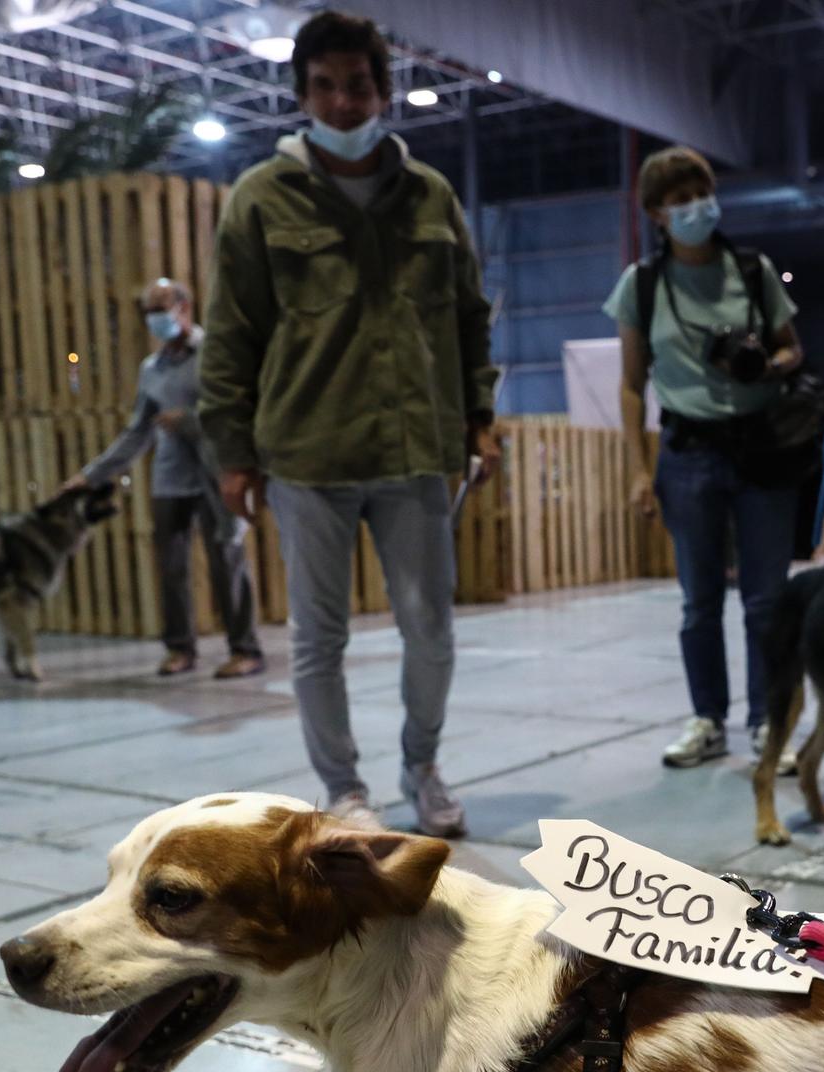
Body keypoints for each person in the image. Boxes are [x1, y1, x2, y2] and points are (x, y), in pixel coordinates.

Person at [199, 10, 499, 836]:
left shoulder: (430, 196)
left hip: (415, 450)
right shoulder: (259, 200)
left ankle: (423, 764)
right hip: (306, 452)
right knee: (316, 637)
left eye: (357, 85)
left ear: (382, 90)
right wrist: (232, 452)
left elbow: (471, 317)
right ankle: (344, 789)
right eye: (324, 87)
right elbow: (231, 334)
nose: (341, 101)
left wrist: (479, 414)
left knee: (431, 630)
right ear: (302, 94)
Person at [606, 147, 805, 769]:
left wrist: (767, 364)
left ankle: (771, 720)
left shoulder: (752, 270)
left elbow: (793, 349)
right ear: (657, 214)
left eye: (702, 192)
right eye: (679, 199)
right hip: (687, 453)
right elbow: (632, 384)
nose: (696, 207)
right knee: (699, 600)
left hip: (761, 448)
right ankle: (707, 719)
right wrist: (640, 468)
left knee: (767, 598)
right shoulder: (641, 285)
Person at [68, 279, 263, 681]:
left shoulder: (213, 353)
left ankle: (245, 649)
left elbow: (238, 409)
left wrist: (189, 422)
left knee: (226, 560)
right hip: (171, 477)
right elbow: (137, 432)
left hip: (215, 471)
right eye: (148, 313)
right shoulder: (151, 369)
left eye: (161, 309)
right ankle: (179, 648)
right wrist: (90, 476)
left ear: (184, 308)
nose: (155, 319)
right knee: (171, 566)